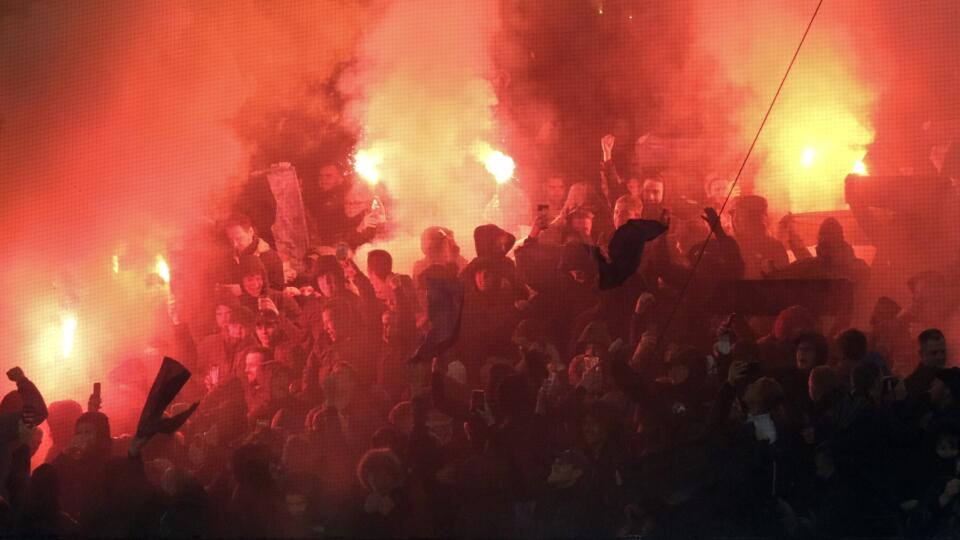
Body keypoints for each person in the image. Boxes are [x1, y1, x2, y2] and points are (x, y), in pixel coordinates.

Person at [221, 213, 285, 292]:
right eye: (231, 240)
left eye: (239, 239)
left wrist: (242, 290)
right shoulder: (230, 257)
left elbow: (277, 291)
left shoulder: (269, 257)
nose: (235, 245)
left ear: (251, 232)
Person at [729, 195, 789, 279]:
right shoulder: (728, 246)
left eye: (739, 215)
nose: (734, 219)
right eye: (732, 214)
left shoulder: (774, 246)